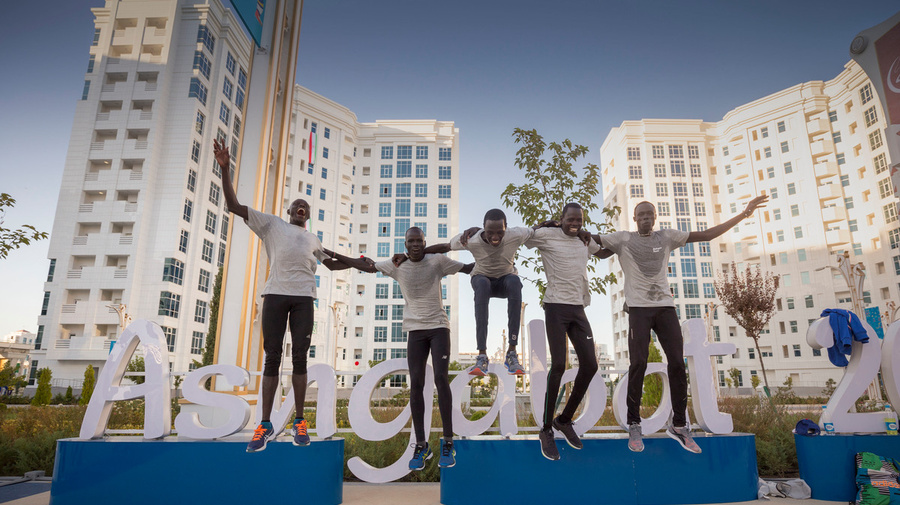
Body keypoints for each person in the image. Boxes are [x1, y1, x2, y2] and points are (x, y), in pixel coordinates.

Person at [213, 139, 356, 453]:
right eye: (297, 205)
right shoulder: (271, 224)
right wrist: (225, 170)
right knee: (273, 358)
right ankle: (264, 425)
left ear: (307, 216)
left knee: (301, 359)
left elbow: (331, 262)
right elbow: (234, 207)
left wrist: (361, 263)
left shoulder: (312, 239)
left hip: (304, 298)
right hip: (275, 296)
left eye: (306, 206)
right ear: (290, 211)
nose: (301, 207)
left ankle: (300, 423)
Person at [594, 195, 768, 454]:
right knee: (638, 363)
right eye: (640, 215)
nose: (644, 219)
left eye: (649, 215)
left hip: (665, 308)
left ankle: (678, 425)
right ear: (634, 218)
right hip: (639, 310)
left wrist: (744, 214)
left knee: (677, 362)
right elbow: (584, 236)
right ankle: (634, 423)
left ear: (655, 218)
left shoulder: (667, 237)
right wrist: (558, 226)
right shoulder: (623, 239)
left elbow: (707, 235)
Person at [338, 227, 473, 470]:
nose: (415, 245)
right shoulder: (396, 265)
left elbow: (468, 268)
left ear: (424, 241)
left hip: (439, 327)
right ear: (405, 243)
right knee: (417, 384)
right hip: (415, 331)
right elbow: (367, 266)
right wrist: (331, 253)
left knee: (442, 379)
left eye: (419, 241)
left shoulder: (437, 262)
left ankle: (448, 442)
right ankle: (421, 445)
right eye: (410, 241)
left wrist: (498, 266)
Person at [394, 209, 538, 376]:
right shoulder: (472, 240)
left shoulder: (516, 234)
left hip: (504, 282)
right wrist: (411, 254)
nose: (495, 237)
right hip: (482, 279)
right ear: (483, 228)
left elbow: (536, 229)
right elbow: (446, 247)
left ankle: (512, 353)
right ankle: (482, 355)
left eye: (500, 232)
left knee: (514, 281)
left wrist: (558, 224)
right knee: (483, 284)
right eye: (490, 232)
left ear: (507, 228)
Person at [522, 203, 609, 461]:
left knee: (591, 365)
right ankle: (546, 429)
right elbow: (526, 239)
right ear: (561, 219)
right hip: (556, 307)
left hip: (578, 308)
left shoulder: (583, 239)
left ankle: (564, 419)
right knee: (558, 365)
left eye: (579, 220)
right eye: (570, 219)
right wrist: (545, 223)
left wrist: (606, 240)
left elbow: (601, 253)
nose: (575, 223)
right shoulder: (548, 234)